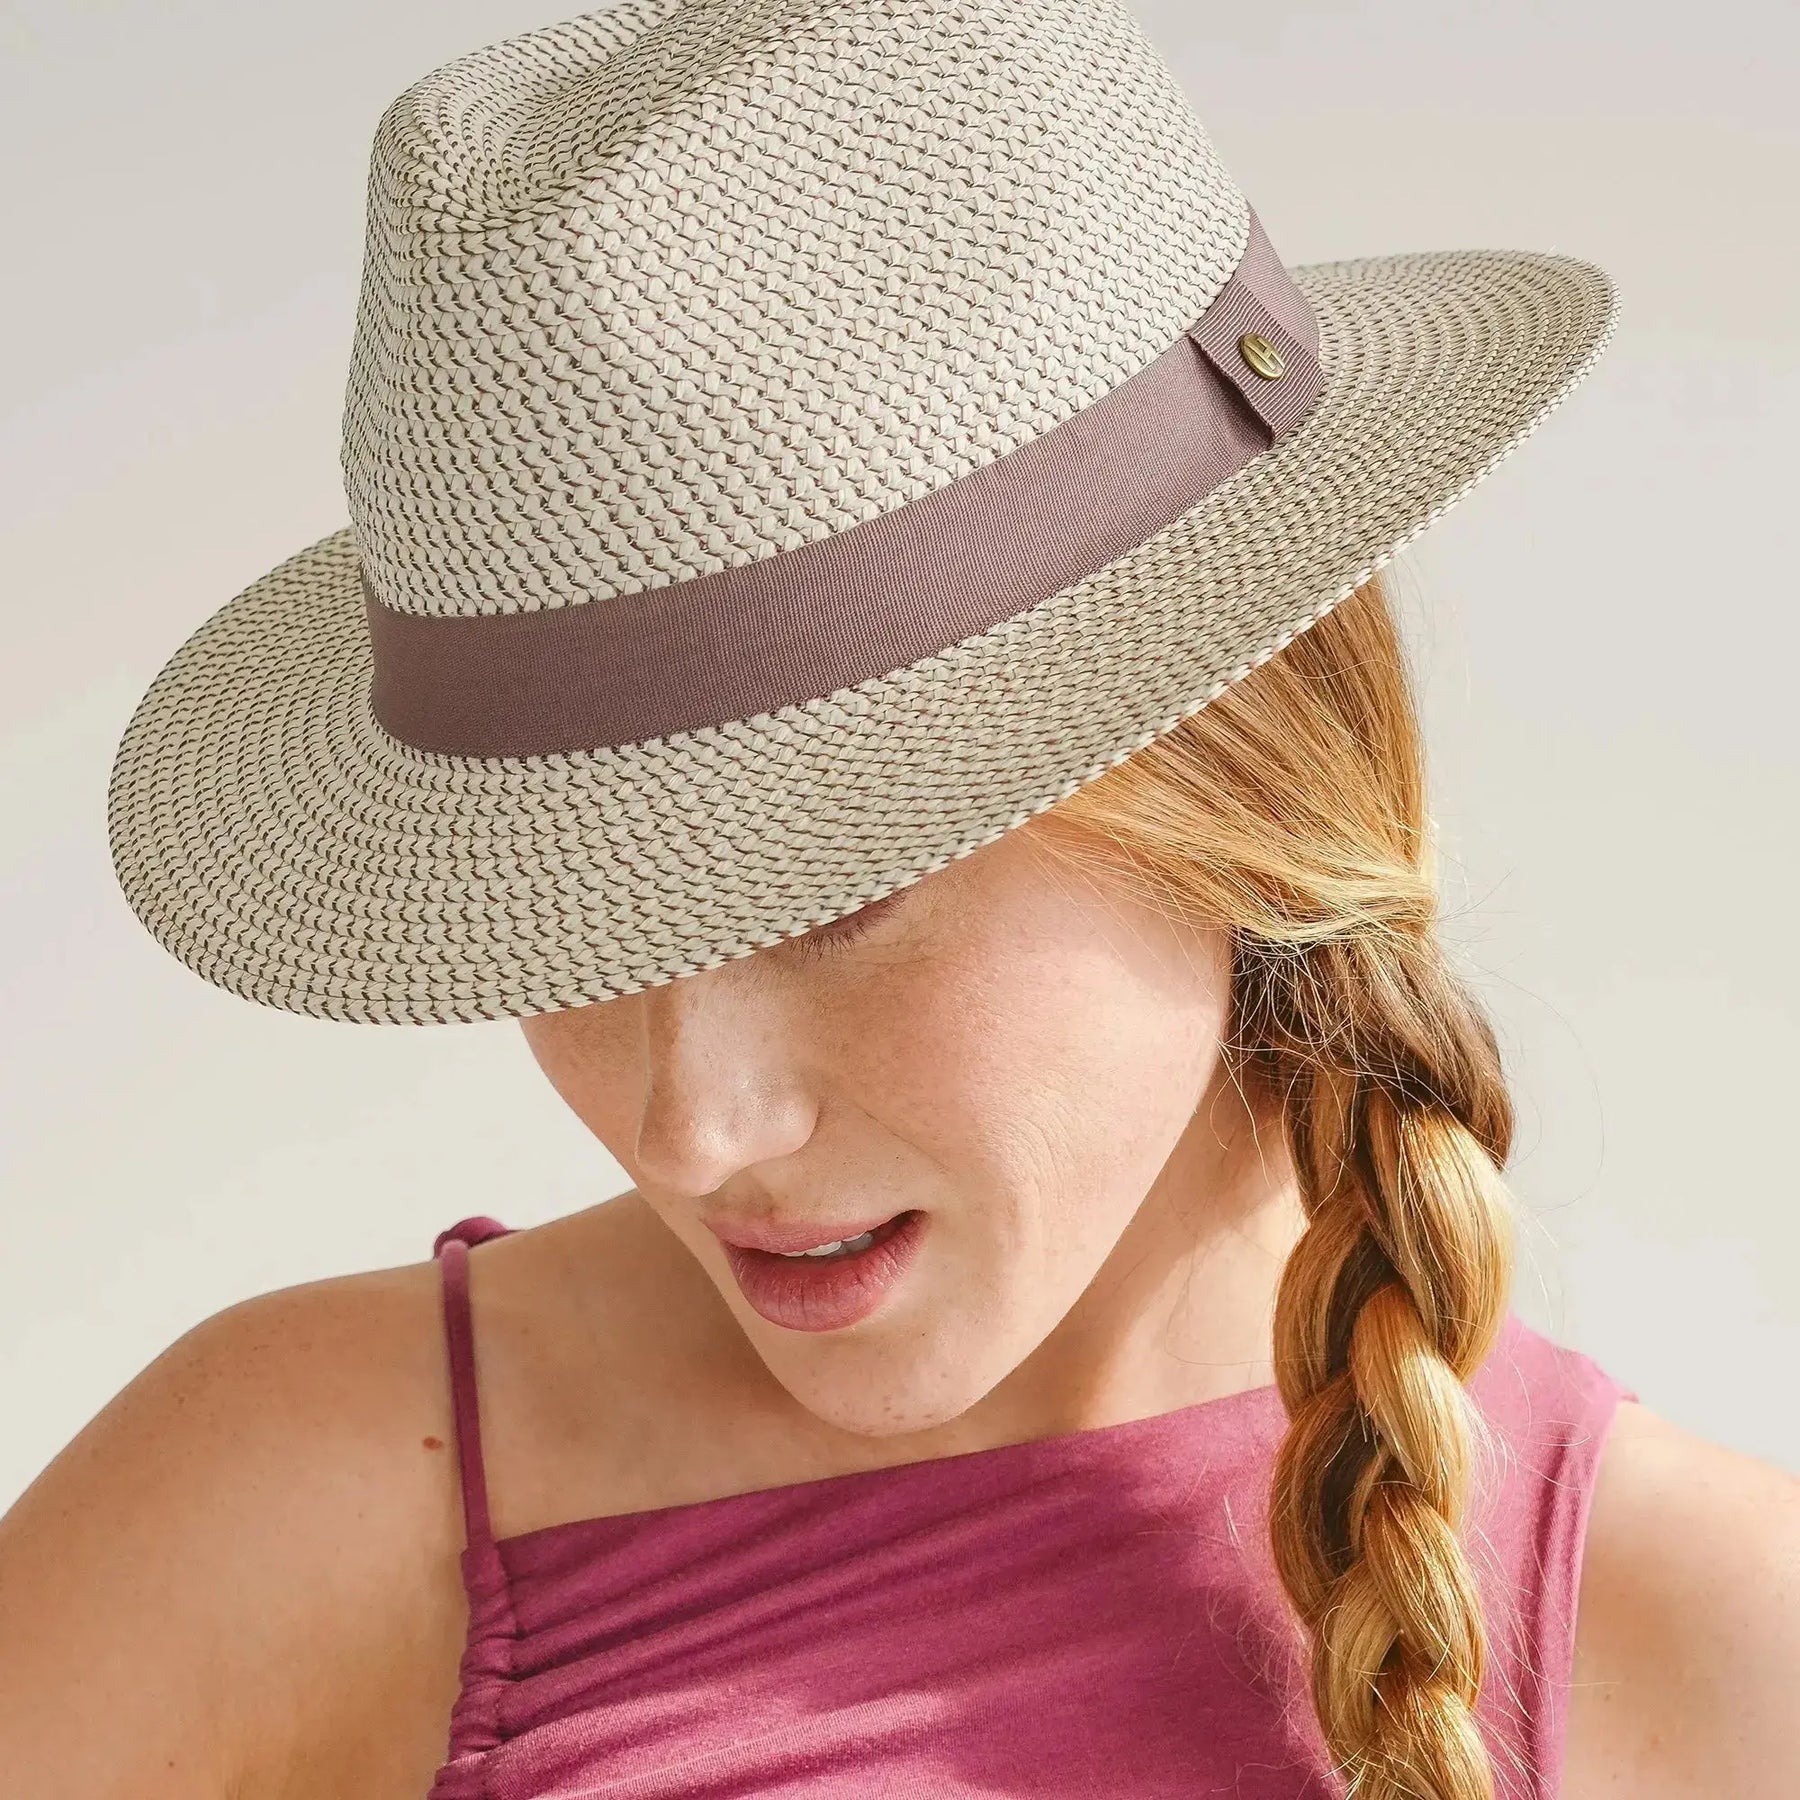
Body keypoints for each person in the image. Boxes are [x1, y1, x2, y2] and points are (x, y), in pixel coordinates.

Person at [4, 2, 1794, 1797]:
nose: (692, 1128)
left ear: (1249, 796)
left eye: (833, 894)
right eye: (587, 924)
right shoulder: (277, 1513)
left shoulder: (1724, 1658)